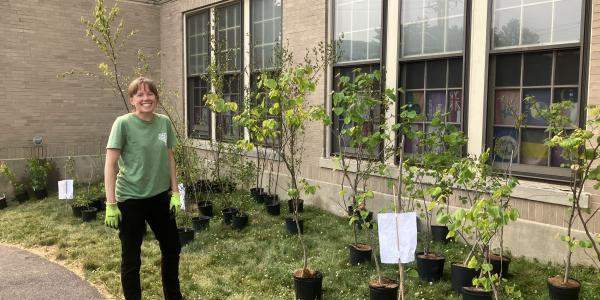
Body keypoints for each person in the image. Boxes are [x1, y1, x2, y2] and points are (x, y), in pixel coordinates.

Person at [104, 76, 183, 300]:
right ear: (132, 100)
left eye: (150, 94)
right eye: (140, 94)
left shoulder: (164, 123)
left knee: (172, 248)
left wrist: (175, 192)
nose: (146, 98)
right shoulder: (123, 124)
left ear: (156, 97)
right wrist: (111, 204)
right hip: (130, 199)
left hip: (159, 197)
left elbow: (170, 159)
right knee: (131, 258)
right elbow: (110, 165)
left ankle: (173, 296)